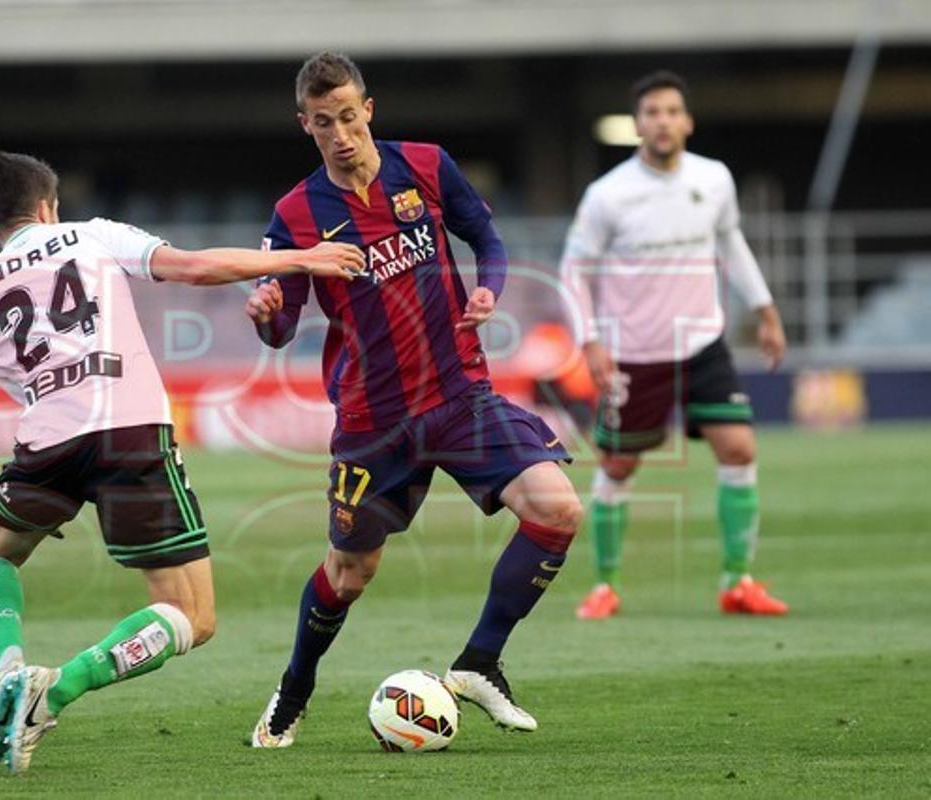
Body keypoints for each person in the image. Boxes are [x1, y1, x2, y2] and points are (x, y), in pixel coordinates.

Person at [0, 151, 364, 774]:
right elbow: (194, 268)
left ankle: (7, 666)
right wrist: (301, 257)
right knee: (193, 615)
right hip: (128, 433)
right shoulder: (93, 236)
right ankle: (52, 691)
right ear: (49, 207)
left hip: (48, 442)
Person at [245, 52, 584, 748]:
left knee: (557, 510)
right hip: (374, 422)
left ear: (368, 110)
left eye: (348, 117)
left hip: (460, 393)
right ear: (304, 124)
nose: (340, 133)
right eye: (322, 123)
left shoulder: (427, 166)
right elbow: (282, 327)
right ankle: (295, 689)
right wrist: (266, 311)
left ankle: (480, 661)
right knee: (351, 571)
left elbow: (485, 236)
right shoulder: (296, 213)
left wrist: (487, 284)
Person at [562, 71, 789, 620]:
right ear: (638, 124)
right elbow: (574, 270)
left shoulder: (713, 179)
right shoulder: (608, 195)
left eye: (671, 111)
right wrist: (589, 341)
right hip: (635, 354)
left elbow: (730, 241)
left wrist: (765, 310)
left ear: (686, 121)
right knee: (617, 466)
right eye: (652, 113)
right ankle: (605, 586)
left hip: (702, 344)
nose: (662, 121)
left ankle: (738, 581)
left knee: (738, 449)